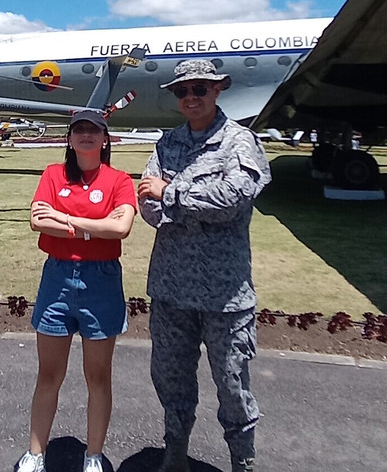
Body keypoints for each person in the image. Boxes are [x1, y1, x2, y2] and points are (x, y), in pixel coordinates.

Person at [136, 59, 272, 472]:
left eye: (199, 88)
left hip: (224, 295)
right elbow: (146, 204)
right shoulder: (167, 144)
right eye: (182, 91)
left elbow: (234, 199)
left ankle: (242, 462)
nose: (191, 97)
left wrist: (172, 194)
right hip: (171, 289)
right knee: (171, 381)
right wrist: (184, 202)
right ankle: (174, 455)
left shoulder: (239, 142)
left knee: (232, 386)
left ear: (217, 91)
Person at [15, 110, 138, 472]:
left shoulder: (119, 179)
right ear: (70, 139)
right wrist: (94, 226)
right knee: (49, 374)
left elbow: (122, 228)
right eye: (79, 130)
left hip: (101, 281)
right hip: (57, 277)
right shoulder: (54, 174)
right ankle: (36, 453)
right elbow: (38, 220)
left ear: (105, 139)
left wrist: (66, 220)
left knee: (97, 376)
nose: (86, 136)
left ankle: (93, 456)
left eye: (94, 130)